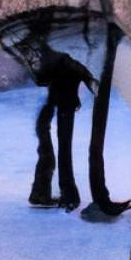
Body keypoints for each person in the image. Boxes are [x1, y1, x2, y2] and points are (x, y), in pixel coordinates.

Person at [20, 41, 96, 210]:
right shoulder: (70, 63)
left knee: (50, 153)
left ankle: (44, 193)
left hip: (52, 111)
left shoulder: (62, 62)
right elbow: (91, 84)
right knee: (53, 153)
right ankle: (59, 195)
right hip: (57, 110)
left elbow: (45, 80)